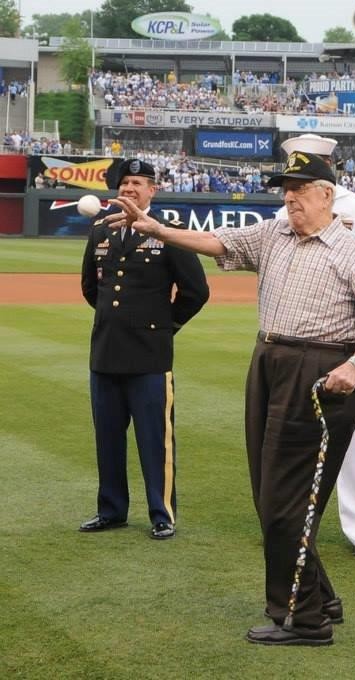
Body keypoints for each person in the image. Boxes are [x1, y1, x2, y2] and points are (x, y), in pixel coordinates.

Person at [106, 152, 355, 645]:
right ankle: (321, 596)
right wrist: (158, 231)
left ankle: (304, 619)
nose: (288, 196)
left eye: (299, 187)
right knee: (270, 494)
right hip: (269, 362)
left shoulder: (352, 249)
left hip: (321, 371)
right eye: (284, 188)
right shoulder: (274, 234)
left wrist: (354, 367)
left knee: (286, 502)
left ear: (326, 195)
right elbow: (216, 241)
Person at [276, 134, 355, 558]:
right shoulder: (284, 209)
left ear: (328, 164)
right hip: (295, 339)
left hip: (348, 339)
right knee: (290, 434)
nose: (294, 173)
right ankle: (289, 523)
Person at [79, 158, 209, 540]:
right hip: (105, 354)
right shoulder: (100, 230)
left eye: (137, 183)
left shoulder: (169, 233)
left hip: (149, 358)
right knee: (108, 439)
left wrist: (163, 327)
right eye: (124, 183)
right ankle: (111, 510)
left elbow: (196, 291)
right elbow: (91, 288)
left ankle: (162, 514)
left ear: (153, 189)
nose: (129, 189)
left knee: (155, 440)